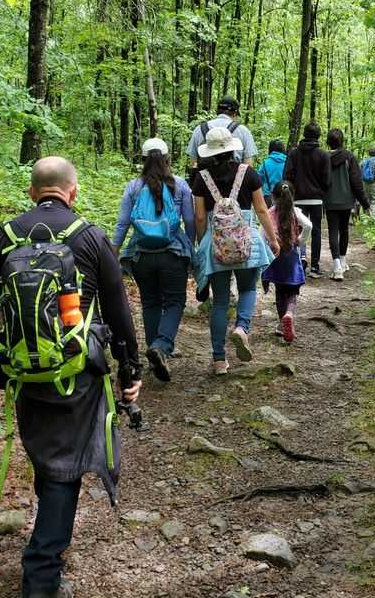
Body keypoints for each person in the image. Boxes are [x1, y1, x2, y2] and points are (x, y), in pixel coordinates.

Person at [0, 157, 142, 598]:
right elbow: (118, 311)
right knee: (65, 467)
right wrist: (131, 370)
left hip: (25, 372)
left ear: (33, 193)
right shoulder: (89, 235)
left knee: (50, 459)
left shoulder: (7, 235)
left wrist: (13, 342)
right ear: (74, 191)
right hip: (75, 371)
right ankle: (42, 579)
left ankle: (46, 559)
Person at [191, 126, 280, 373]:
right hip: (246, 242)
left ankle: (219, 359)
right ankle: (242, 328)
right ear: (232, 148)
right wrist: (273, 240)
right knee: (248, 288)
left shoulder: (201, 177)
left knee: (219, 301)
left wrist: (205, 243)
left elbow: (199, 217)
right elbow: (262, 210)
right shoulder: (248, 173)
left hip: (215, 245)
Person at [114, 137, 194, 384]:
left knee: (150, 302)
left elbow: (123, 223)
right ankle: (161, 345)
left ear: (142, 159)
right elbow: (190, 221)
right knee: (175, 300)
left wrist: (113, 250)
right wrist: (189, 246)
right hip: (172, 254)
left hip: (141, 256)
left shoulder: (133, 187)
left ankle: (154, 350)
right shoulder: (179, 185)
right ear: (168, 158)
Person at [262, 180, 312, 342]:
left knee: (279, 291)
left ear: (273, 197)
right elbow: (309, 225)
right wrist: (300, 240)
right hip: (291, 256)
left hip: (274, 257)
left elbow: (262, 234)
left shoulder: (269, 212)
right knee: (291, 291)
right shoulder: (295, 212)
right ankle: (289, 314)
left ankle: (281, 322)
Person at [284, 121, 331, 277]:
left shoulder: (293, 153)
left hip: (297, 200)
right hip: (317, 200)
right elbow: (327, 180)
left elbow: (287, 176)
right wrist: (321, 192)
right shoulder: (323, 155)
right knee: (316, 231)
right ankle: (315, 267)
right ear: (318, 136)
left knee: (296, 230)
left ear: (304, 134)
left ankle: (298, 260)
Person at [323, 128, 369, 280]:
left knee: (333, 231)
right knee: (344, 230)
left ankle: (337, 266)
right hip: (346, 201)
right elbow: (356, 182)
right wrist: (364, 202)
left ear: (328, 142)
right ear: (342, 141)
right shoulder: (349, 157)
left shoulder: (324, 158)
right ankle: (342, 260)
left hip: (329, 201)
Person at [186, 95, 258, 170]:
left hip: (205, 179)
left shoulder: (199, 129)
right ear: (235, 113)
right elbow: (248, 165)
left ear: (217, 111)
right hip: (234, 180)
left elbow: (193, 163)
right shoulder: (243, 131)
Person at [257, 139, 287, 206]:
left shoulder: (265, 163)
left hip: (268, 196)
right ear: (282, 149)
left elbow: (259, 180)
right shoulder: (287, 162)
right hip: (284, 194)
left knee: (268, 215)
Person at [360, 147, 375, 216]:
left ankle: (366, 219)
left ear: (369, 153)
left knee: (366, 200)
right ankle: (373, 219)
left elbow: (359, 172)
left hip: (365, 184)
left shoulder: (363, 161)